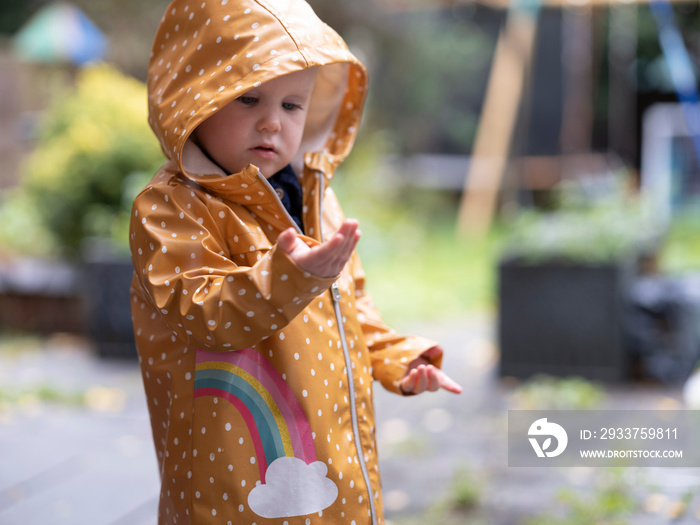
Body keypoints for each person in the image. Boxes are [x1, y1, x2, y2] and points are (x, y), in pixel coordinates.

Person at [130, 0, 462, 523]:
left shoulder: (312, 196)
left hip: (330, 455)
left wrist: (400, 357)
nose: (271, 122)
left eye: (292, 105)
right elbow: (203, 312)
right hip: (237, 474)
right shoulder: (174, 206)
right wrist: (291, 277)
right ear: (194, 98)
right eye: (248, 97)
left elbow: (351, 304)